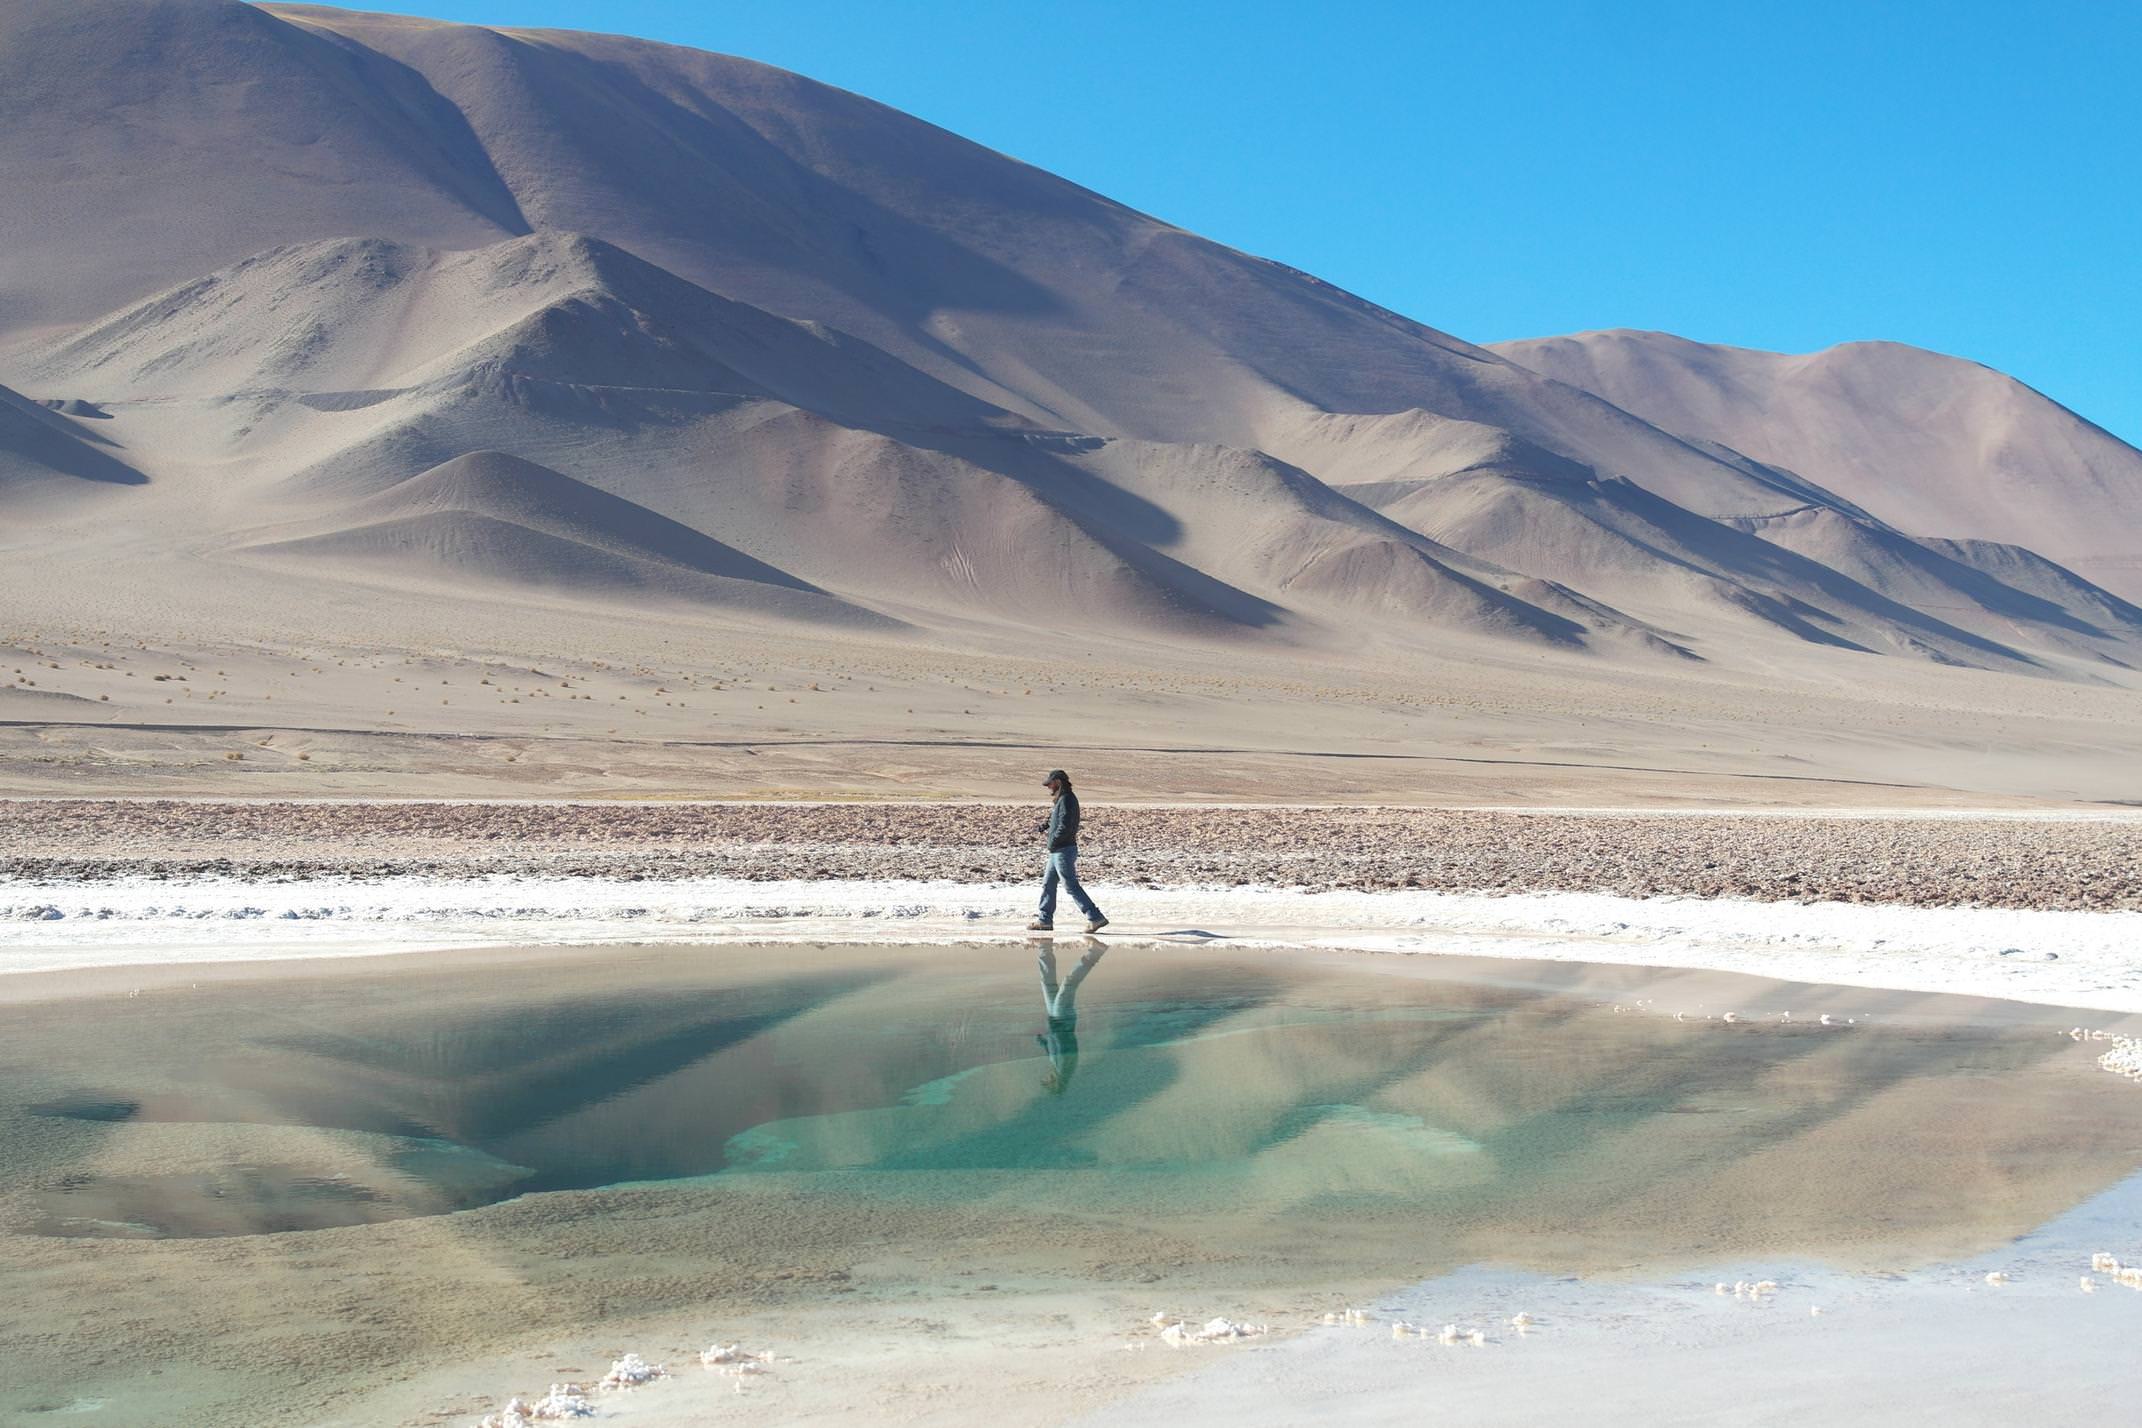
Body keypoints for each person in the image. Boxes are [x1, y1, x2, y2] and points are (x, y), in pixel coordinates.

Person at [1028, 769, 1108, 933]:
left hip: (1063, 850)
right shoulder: (1061, 799)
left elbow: (1065, 824)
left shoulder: (1068, 799)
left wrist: (1055, 840)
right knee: (1048, 884)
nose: (1048, 787)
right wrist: (1045, 827)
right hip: (1057, 850)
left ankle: (1095, 917)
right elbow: (1055, 817)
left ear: (1058, 782)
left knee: (1070, 885)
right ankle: (1045, 920)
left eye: (1050, 783)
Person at [1036, 942, 1105, 1096]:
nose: (1046, 1078)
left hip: (1055, 1020)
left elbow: (1053, 1052)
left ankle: (1044, 948)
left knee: (1047, 984)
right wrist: (1056, 1030)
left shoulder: (1057, 1068)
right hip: (1063, 1020)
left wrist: (1044, 1042)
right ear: (1054, 1083)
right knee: (1069, 984)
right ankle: (1095, 953)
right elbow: (1068, 1046)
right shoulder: (1066, 1068)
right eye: (1048, 1082)